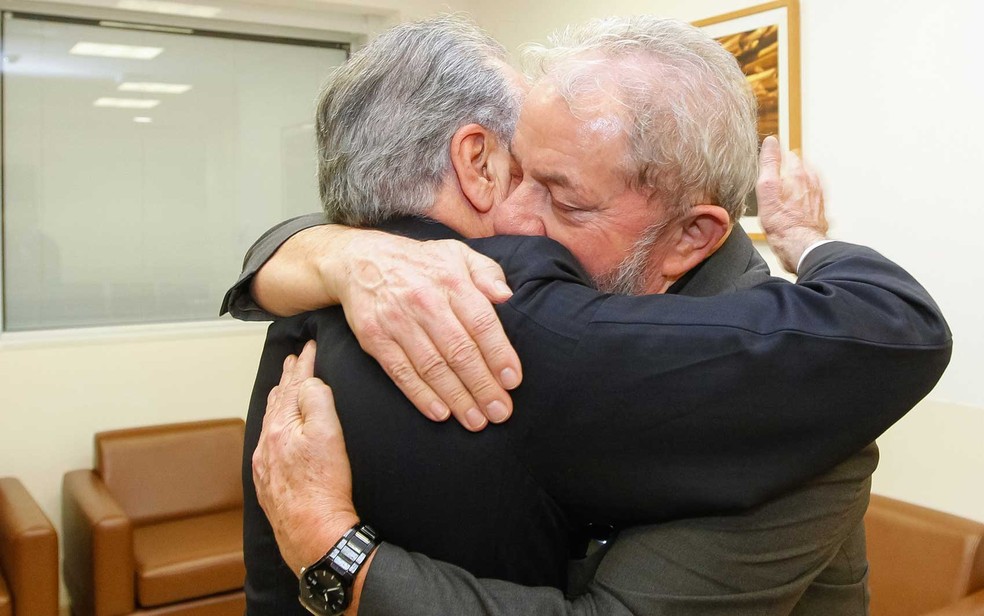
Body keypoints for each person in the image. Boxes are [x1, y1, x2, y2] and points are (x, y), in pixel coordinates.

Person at [227, 15, 951, 616]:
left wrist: (333, 550)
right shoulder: (381, 291)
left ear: (691, 237)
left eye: (564, 199)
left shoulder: (801, 404)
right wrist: (328, 251)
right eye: (519, 174)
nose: (517, 220)